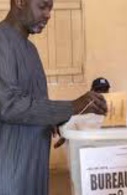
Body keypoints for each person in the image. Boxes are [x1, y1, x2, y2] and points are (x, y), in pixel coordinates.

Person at [0, 0, 107, 194]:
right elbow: (8, 105)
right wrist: (72, 106)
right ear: (20, 2)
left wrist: (58, 121)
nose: (48, 14)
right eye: (42, 6)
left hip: (35, 164)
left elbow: (34, 102)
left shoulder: (30, 50)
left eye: (50, 8)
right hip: (9, 170)